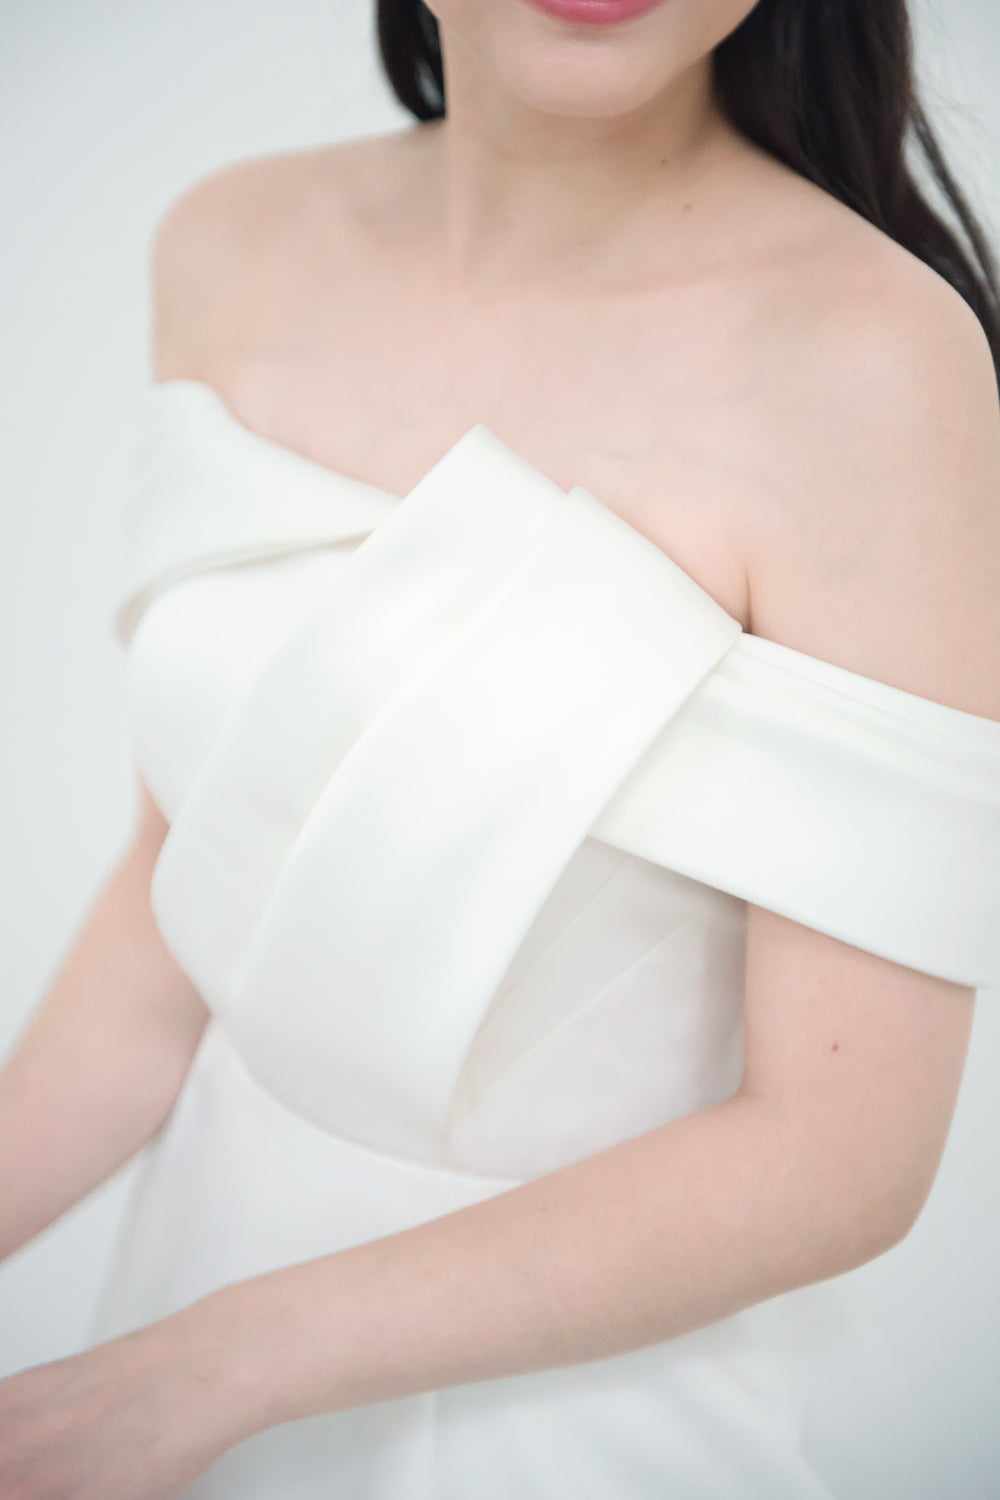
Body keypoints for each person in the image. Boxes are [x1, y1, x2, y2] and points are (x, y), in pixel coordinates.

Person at [2, 0, 1000, 1495]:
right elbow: (181, 911)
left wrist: (194, 1376)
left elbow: (838, 1157)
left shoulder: (873, 362)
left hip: (564, 1419)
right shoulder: (229, 241)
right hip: (174, 1299)